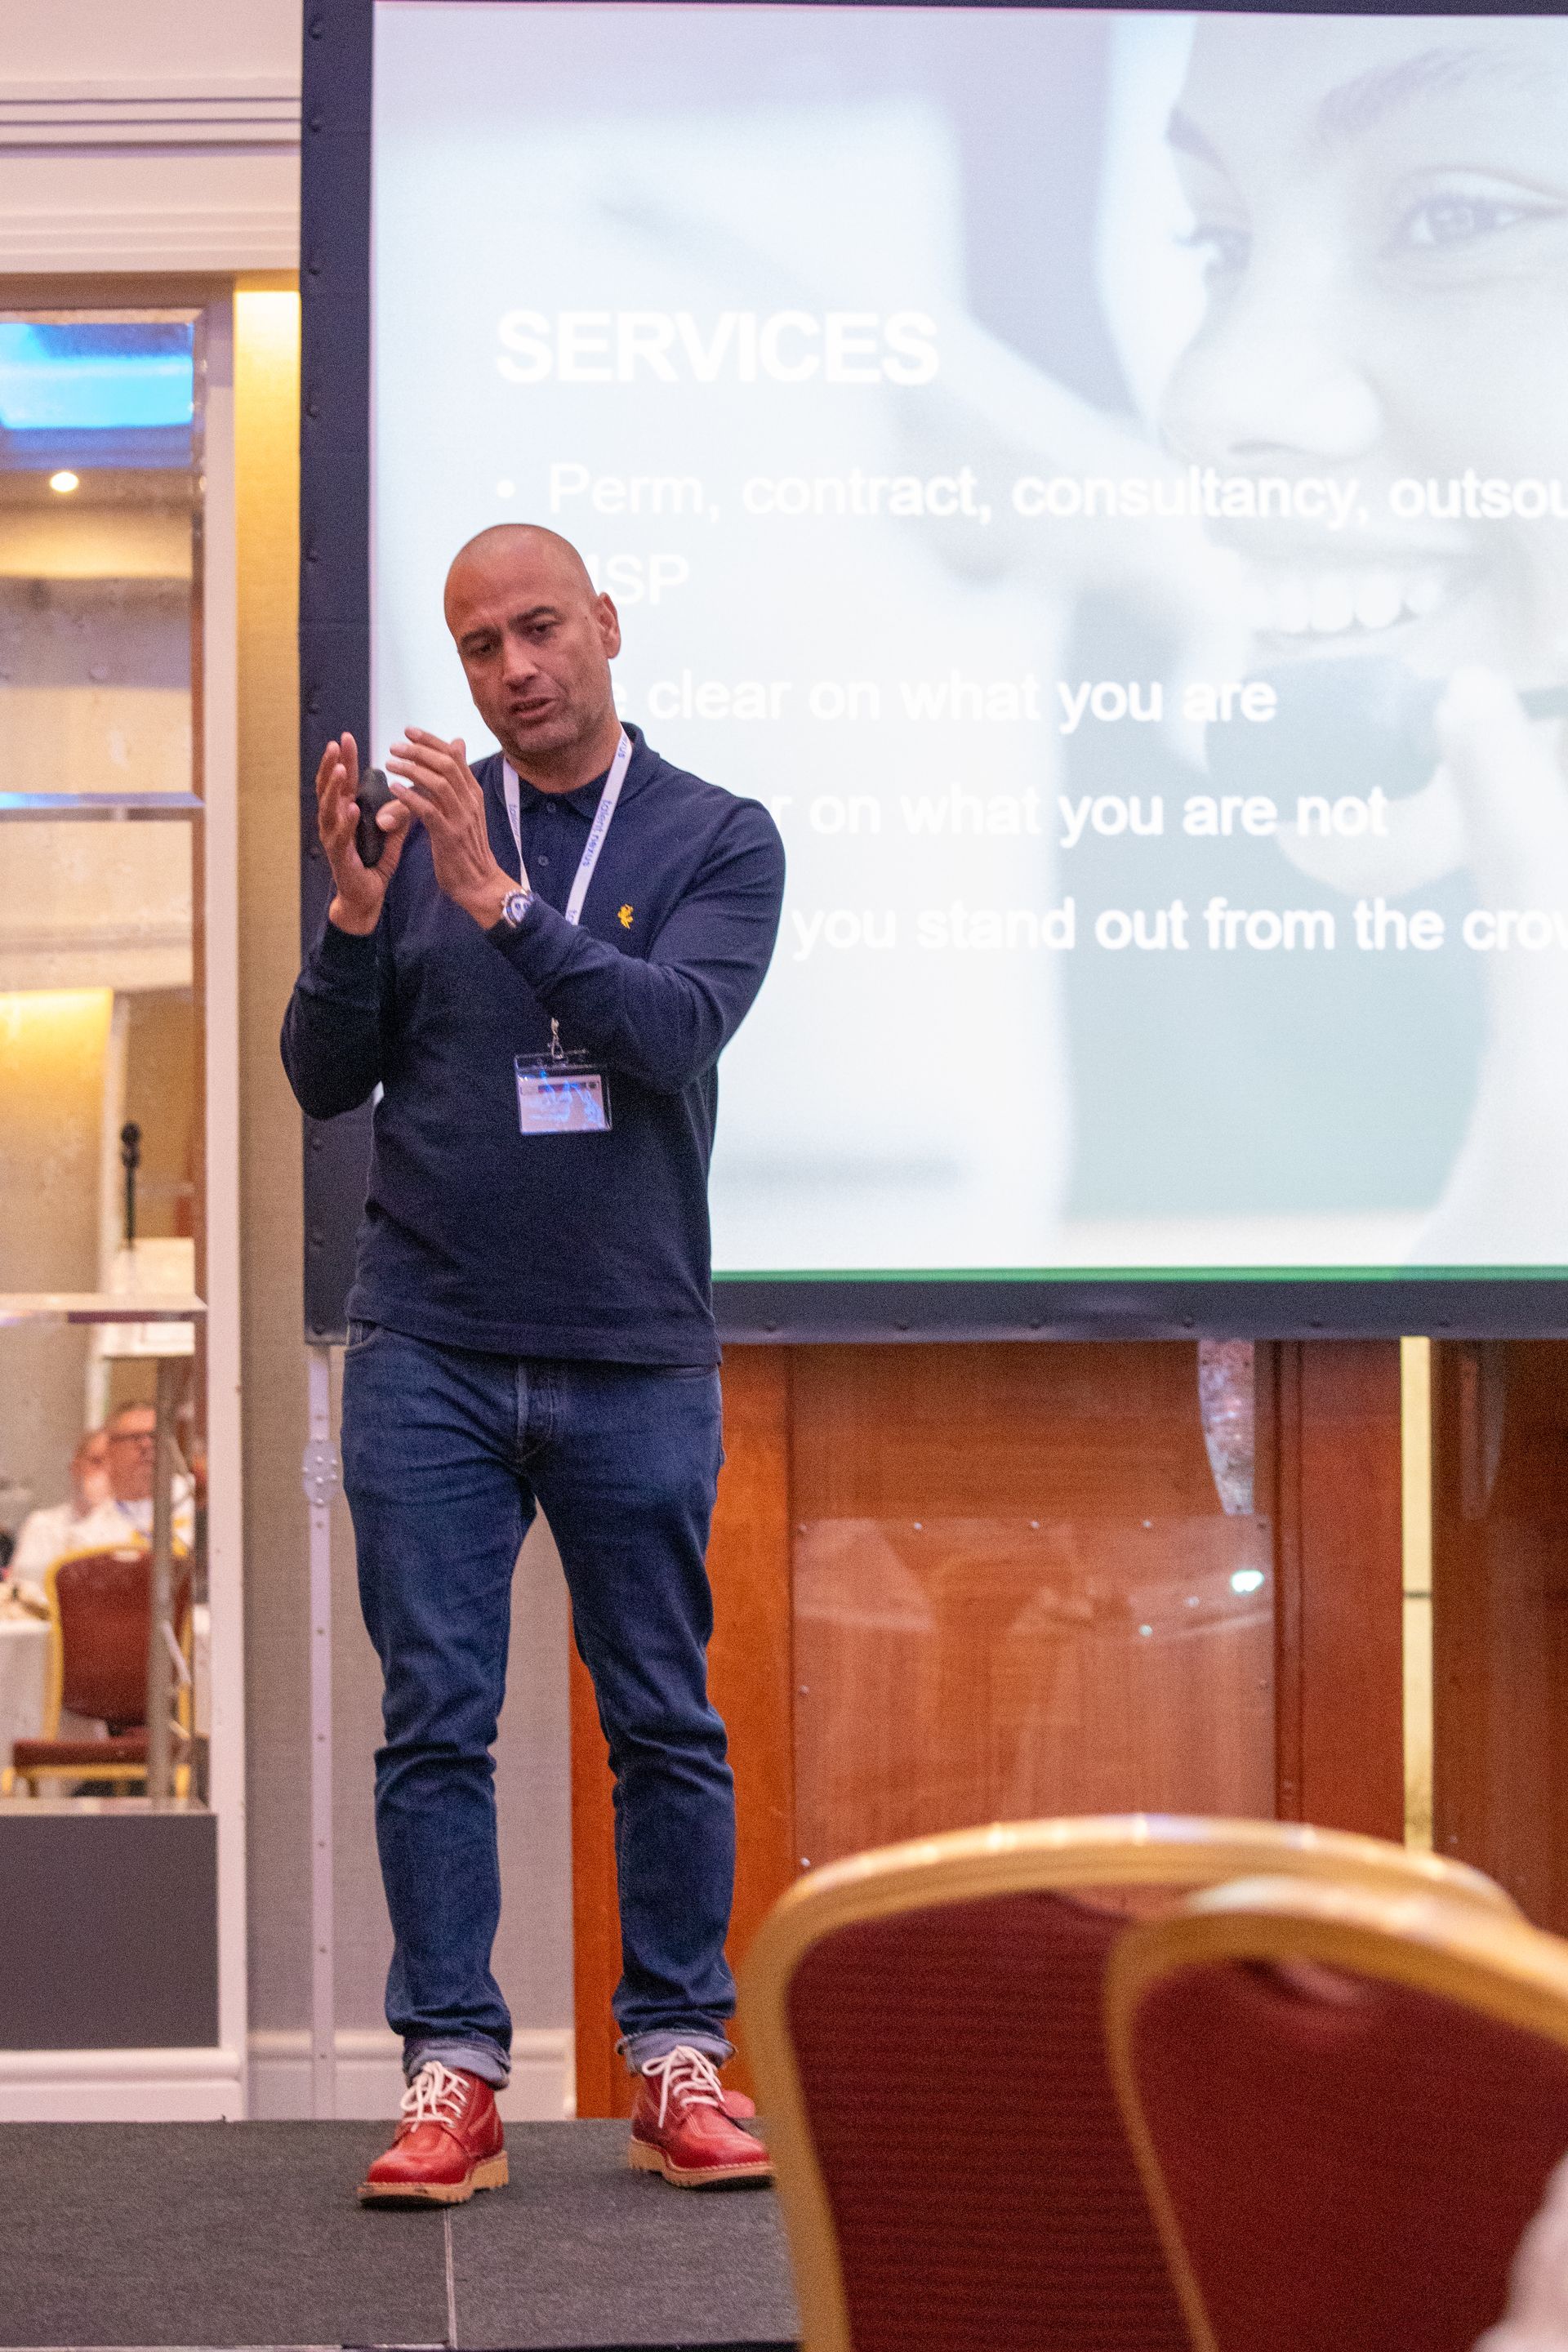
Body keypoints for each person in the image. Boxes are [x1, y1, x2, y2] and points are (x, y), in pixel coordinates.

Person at [281, 523, 785, 2203]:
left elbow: (668, 1032)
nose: (516, 666)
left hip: (634, 1349)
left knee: (664, 1720)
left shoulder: (718, 835)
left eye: (542, 628)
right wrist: (360, 922)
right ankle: (451, 2074)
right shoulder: (415, 839)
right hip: (428, 1342)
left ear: (607, 625)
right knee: (435, 1719)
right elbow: (321, 1079)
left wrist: (497, 906)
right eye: (483, 642)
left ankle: (674, 2059)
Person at [8, 1409, 194, 1602]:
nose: (146, 1445)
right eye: (134, 1438)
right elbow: (25, 1600)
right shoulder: (70, 1530)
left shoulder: (190, 1500)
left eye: (155, 1436)